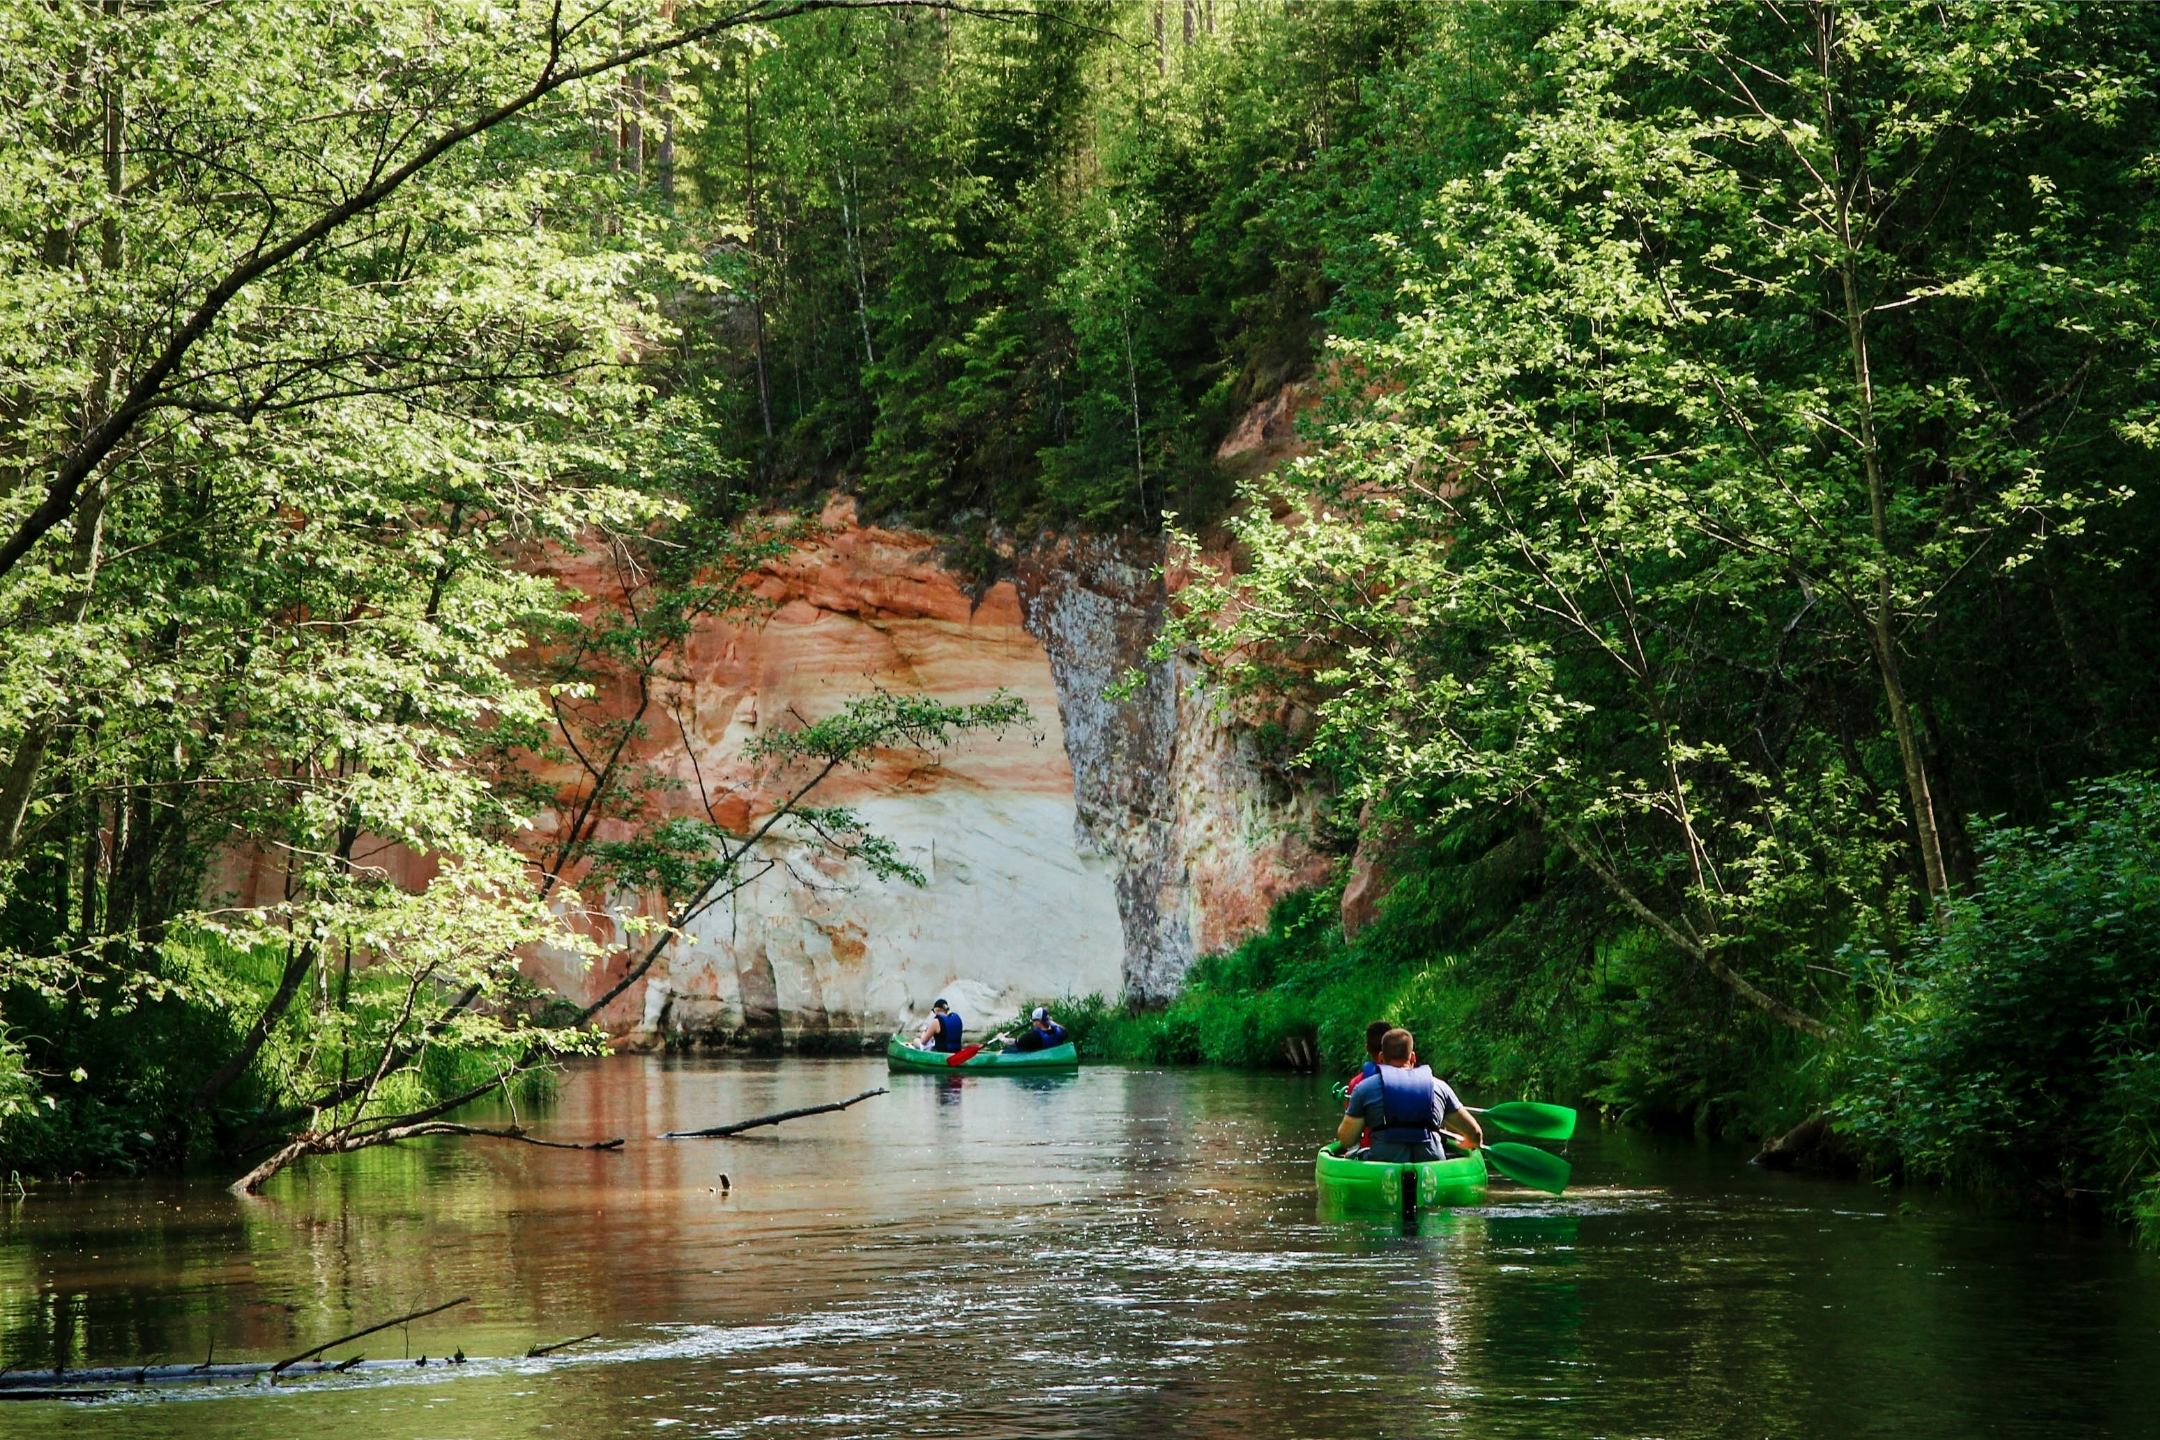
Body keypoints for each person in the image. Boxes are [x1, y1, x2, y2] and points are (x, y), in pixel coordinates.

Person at [1335, 1027, 1483, 1163]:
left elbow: (1347, 1140)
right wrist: (1469, 1142)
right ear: (1413, 1058)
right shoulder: (1439, 1087)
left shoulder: (1364, 1089)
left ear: (1381, 1058)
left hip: (1383, 1164)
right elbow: (1475, 1133)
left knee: (1355, 1154)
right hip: (1432, 1165)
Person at [1339, 1019, 1394, 1153]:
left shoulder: (1357, 1084)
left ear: (1367, 1048)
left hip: (1372, 1150)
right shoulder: (1415, 1080)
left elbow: (1349, 1137)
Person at [1004, 1006, 1069, 1053]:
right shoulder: (1060, 1031)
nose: (1033, 1023)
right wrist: (1050, 1022)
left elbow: (1015, 1043)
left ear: (1038, 1022)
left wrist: (1002, 1038)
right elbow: (1064, 1030)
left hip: (1039, 1056)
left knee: (1009, 1050)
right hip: (1053, 1055)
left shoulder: (1034, 1035)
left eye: (1034, 1021)